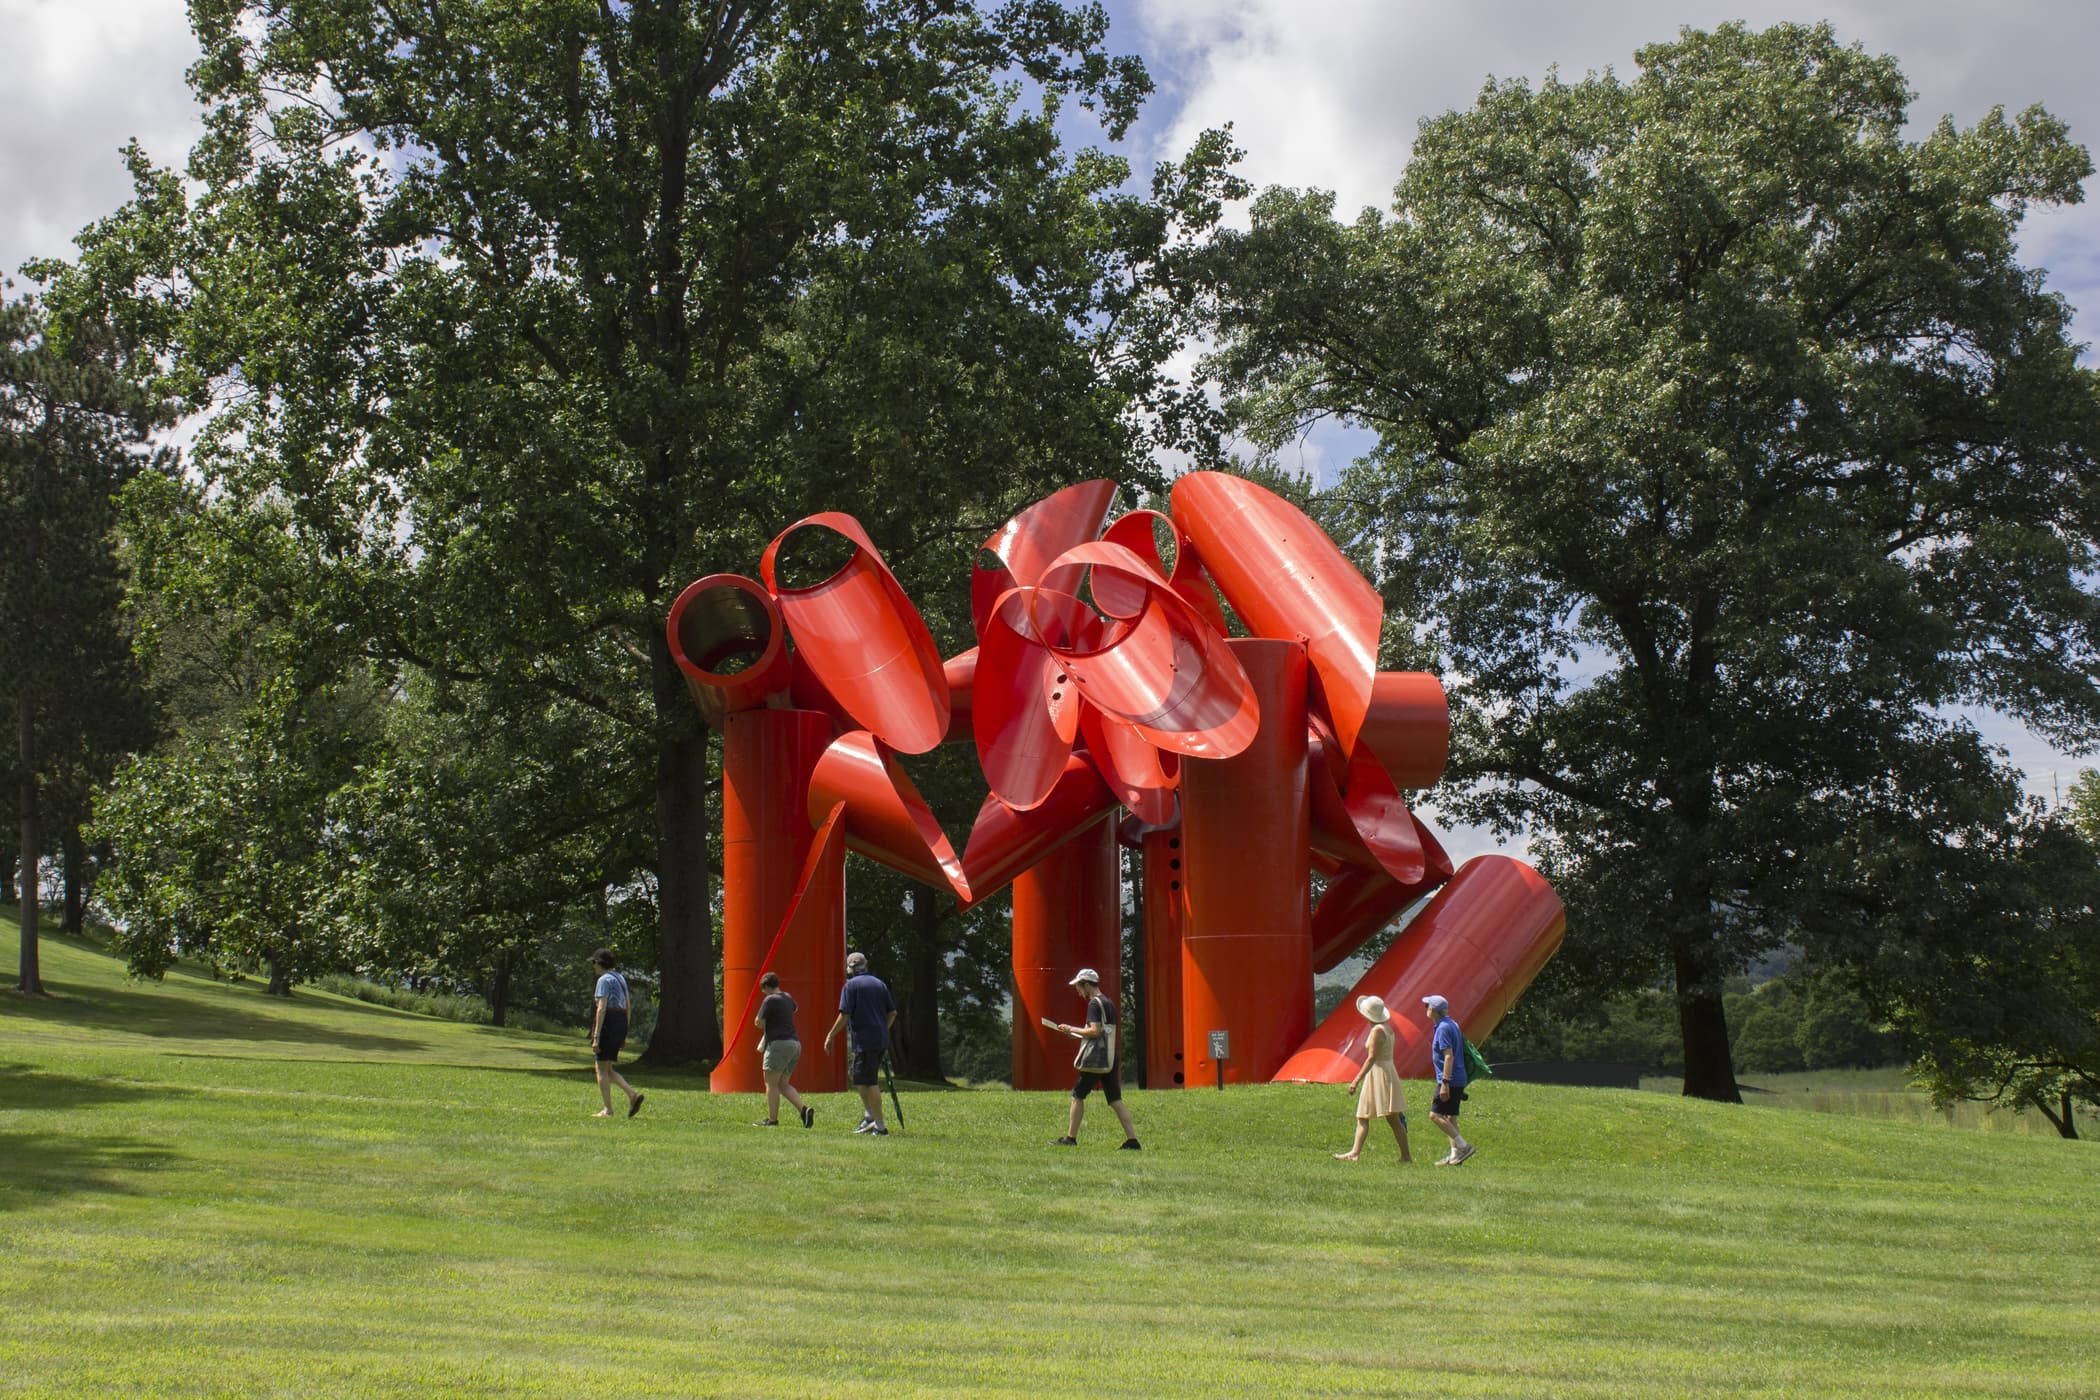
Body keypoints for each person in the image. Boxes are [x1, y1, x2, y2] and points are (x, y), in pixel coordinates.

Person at [1045, 968, 1140, 1150]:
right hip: (1110, 1057)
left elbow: (1095, 1031)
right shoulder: (1108, 1003)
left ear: (1087, 984)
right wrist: (1079, 1033)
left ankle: (1070, 1138)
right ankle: (1132, 1140)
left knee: (1077, 1095)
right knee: (1115, 1099)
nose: (1078, 991)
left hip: (1096, 1060)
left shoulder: (1094, 1004)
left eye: (1079, 987)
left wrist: (1070, 1028)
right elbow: (1102, 1032)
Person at [823, 950, 895, 1136]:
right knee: (859, 1076)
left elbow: (844, 1015)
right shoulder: (879, 984)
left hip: (865, 1040)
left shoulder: (850, 986)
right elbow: (892, 1013)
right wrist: (882, 1029)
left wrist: (830, 1035)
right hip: (879, 1039)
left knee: (870, 1081)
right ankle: (869, 1116)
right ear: (866, 965)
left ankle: (880, 1127)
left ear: (849, 969)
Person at [1334, 995, 1411, 1163]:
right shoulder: (1387, 1028)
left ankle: (1356, 1153)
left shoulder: (1377, 1031)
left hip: (1379, 1073)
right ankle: (1405, 1156)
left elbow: (1371, 1058)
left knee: (1367, 1116)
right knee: (1390, 1118)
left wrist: (1355, 1080)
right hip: (1387, 1071)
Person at [752, 971, 813, 1128]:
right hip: (794, 1045)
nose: (763, 992)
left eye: (763, 989)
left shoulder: (769, 1000)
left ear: (766, 986)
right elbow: (794, 1009)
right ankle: (804, 1110)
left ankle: (772, 1120)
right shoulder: (787, 997)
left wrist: (763, 1021)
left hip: (778, 1044)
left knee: (771, 1084)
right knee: (783, 1084)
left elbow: (759, 1022)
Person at [589, 949, 643, 1118]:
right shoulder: (620, 978)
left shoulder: (603, 980)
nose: (593, 966)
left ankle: (608, 1110)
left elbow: (601, 1008)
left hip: (609, 1021)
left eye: (594, 962)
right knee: (608, 1068)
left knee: (601, 1069)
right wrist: (624, 1031)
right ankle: (632, 1095)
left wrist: (596, 1036)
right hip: (620, 1022)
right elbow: (628, 1006)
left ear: (599, 963)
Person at [1423, 993, 1474, 1165]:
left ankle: (1464, 1146)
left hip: (1450, 1079)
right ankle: (1455, 1155)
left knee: (1435, 1115)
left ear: (1433, 1011)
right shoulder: (1450, 1024)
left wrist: (1445, 1083)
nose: (1425, 1009)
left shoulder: (1443, 1028)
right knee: (1450, 1117)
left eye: (1427, 1006)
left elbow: (1449, 1056)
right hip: (1457, 1077)